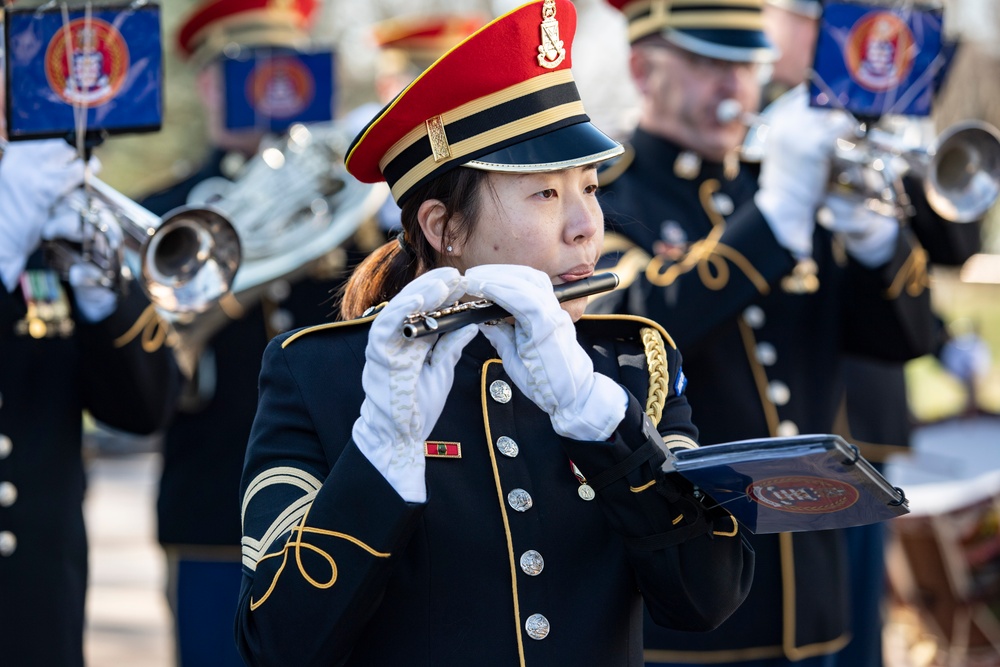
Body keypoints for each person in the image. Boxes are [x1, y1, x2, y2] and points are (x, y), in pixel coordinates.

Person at [235, 1, 754, 664]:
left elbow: (707, 595)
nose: (585, 225)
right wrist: (380, 457)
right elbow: (273, 643)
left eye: (589, 187)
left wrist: (603, 424)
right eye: (545, 194)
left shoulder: (630, 366)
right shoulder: (317, 376)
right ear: (442, 227)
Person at [591, 0, 940, 665]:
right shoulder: (608, 194)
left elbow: (902, 340)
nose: (733, 87)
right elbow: (630, 331)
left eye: (746, 65)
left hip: (811, 595)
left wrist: (875, 242)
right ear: (641, 69)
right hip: (690, 599)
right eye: (703, 62)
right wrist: (774, 220)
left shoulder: (777, 185)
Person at [139, 1, 382, 665]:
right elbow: (144, 365)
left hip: (342, 509)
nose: (268, 91)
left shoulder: (354, 215)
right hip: (214, 508)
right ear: (210, 84)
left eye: (287, 70)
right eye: (243, 73)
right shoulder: (167, 212)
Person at [762, 2, 986, 664]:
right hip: (782, 403)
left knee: (856, 616)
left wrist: (912, 143)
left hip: (867, 403)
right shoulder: (764, 118)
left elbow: (953, 243)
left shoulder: (896, 122)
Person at [0, 65, 182, 667]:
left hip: (39, 593)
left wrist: (107, 298)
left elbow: (144, 410)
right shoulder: (14, 219)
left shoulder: (40, 230)